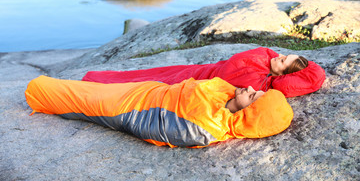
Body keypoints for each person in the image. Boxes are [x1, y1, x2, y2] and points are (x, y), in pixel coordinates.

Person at [25, 75, 293, 148]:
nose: (249, 87)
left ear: (253, 113)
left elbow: (152, 127)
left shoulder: (205, 129)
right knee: (84, 87)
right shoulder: (224, 92)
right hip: (149, 91)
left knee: (65, 96)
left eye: (254, 95)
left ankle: (37, 92)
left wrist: (124, 115)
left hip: (127, 109)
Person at [82, 47, 325, 98]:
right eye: (284, 55)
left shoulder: (260, 83)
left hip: (193, 81)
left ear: (283, 75)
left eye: (283, 61)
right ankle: (94, 80)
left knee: (141, 83)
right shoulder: (266, 56)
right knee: (145, 75)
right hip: (198, 70)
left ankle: (93, 83)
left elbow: (310, 78)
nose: (279, 56)